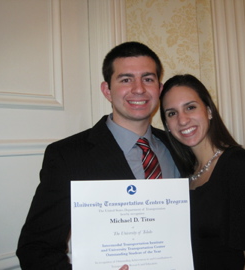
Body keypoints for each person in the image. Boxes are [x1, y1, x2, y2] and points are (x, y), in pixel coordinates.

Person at [16, 42, 185, 270]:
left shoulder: (180, 146)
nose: (138, 89)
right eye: (125, 79)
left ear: (159, 88)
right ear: (107, 90)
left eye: (148, 79)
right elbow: (35, 249)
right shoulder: (67, 156)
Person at [159, 74, 245, 269]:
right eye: (172, 113)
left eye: (190, 107)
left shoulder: (240, 165)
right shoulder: (182, 176)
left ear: (209, 111)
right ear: (167, 126)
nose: (182, 120)